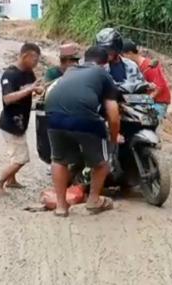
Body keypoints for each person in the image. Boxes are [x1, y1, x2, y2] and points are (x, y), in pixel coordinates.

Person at [44, 46, 121, 217]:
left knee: (59, 160)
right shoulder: (102, 74)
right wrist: (114, 139)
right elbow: (113, 115)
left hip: (53, 116)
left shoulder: (70, 71)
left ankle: (61, 207)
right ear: (105, 63)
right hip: (84, 118)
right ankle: (93, 201)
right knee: (101, 163)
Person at [0, 43, 44, 197]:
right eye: (34, 59)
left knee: (16, 154)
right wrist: (29, 90)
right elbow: (7, 98)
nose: (36, 63)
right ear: (25, 56)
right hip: (10, 124)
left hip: (20, 122)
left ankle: (11, 181)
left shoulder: (28, 73)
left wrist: (36, 90)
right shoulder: (10, 75)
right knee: (21, 159)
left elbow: (31, 89)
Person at [121, 39, 172, 121]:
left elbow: (160, 87)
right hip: (147, 100)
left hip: (158, 102)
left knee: (146, 125)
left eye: (122, 56)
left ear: (129, 53)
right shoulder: (134, 66)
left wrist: (143, 100)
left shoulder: (148, 66)